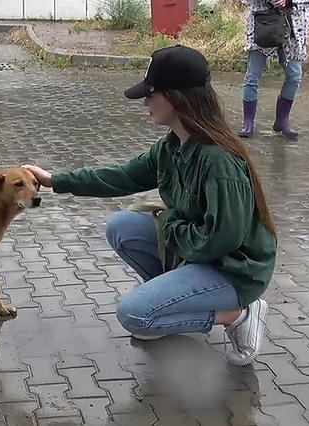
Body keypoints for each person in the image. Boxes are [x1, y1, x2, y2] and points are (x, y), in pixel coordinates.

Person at [23, 45, 277, 366]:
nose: (145, 102)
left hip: (234, 271)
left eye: (150, 94)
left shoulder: (218, 161)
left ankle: (238, 315)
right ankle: (172, 303)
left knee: (134, 315)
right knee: (122, 226)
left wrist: (171, 226)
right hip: (201, 254)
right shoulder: (173, 146)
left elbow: (221, 240)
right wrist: (55, 180)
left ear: (174, 97)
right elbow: (122, 176)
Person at [239, 0, 309, 139]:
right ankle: (248, 122)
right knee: (252, 76)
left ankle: (282, 120)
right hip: (262, 25)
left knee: (294, 76)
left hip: (293, 28)